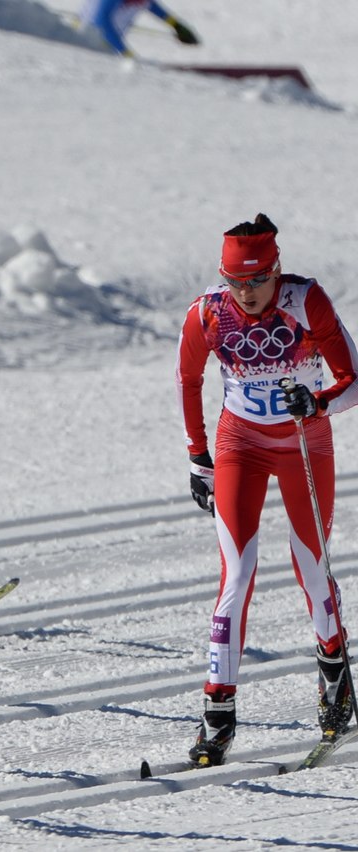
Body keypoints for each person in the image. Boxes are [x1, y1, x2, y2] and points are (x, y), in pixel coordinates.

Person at [176, 213, 358, 766]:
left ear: (276, 271)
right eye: (237, 281)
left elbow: (355, 378)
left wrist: (320, 400)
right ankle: (217, 715)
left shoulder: (307, 302)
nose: (247, 292)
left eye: (257, 280)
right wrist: (198, 457)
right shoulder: (208, 312)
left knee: (309, 562)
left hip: (305, 442)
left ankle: (333, 670)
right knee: (236, 574)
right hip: (241, 445)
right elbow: (188, 378)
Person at [81, 0, 199, 58]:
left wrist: (176, 25)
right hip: (88, 48)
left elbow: (151, 5)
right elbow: (101, 22)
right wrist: (125, 53)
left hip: (109, 51)